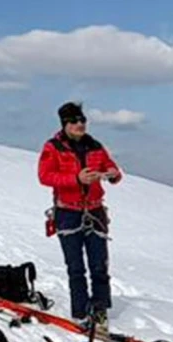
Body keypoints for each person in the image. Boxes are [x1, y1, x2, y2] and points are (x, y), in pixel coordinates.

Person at [38, 101, 122, 330]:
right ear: (65, 124)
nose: (80, 124)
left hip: (94, 210)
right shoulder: (53, 147)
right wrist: (77, 179)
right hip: (68, 212)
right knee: (76, 267)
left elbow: (113, 168)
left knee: (99, 265)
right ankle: (80, 312)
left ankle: (100, 310)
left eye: (82, 120)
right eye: (75, 121)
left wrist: (113, 174)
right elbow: (45, 176)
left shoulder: (95, 146)